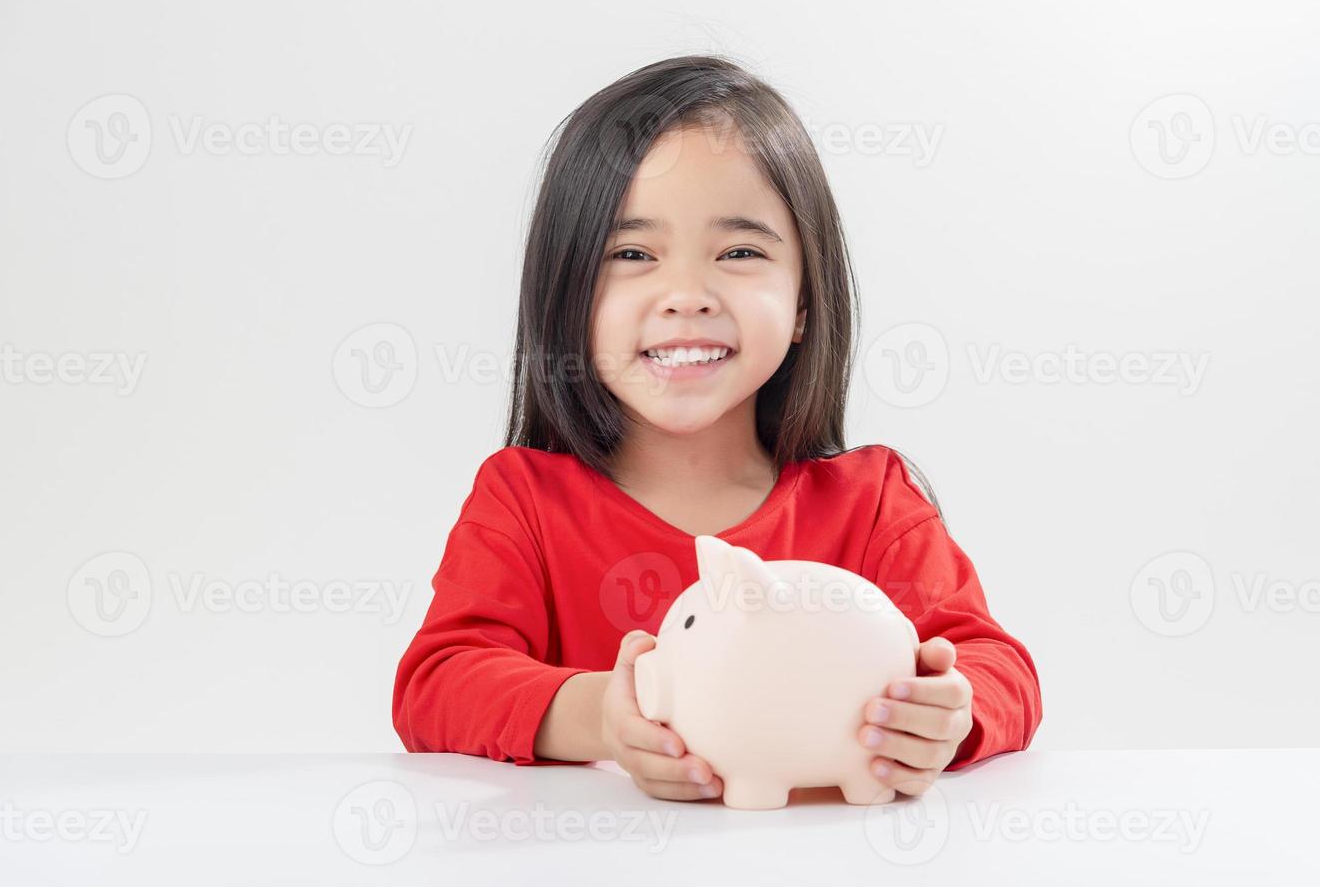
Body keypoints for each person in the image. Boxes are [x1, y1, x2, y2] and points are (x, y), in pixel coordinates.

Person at [392, 55, 1042, 803]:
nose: (687, 296)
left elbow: (998, 669)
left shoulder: (870, 505)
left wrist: (947, 718)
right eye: (632, 254)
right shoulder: (524, 501)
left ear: (804, 303)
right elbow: (435, 685)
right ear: (566, 295)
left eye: (739, 253)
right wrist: (606, 717)